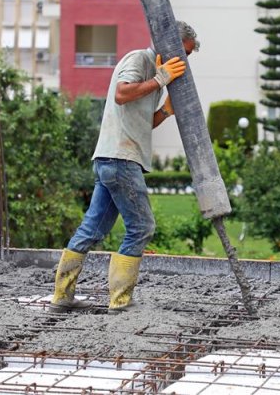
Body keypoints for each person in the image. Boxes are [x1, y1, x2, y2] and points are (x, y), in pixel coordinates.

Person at [50, 21, 200, 313]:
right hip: (121, 159)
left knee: (92, 228)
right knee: (142, 226)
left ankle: (61, 297)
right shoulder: (139, 59)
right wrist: (160, 79)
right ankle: (120, 302)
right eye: (184, 53)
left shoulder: (156, 71)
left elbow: (145, 121)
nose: (184, 61)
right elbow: (122, 93)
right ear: (169, 44)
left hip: (112, 158)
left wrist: (167, 109)